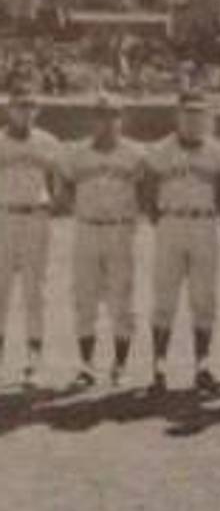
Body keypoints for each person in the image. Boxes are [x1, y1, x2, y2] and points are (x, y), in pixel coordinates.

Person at [144, 91, 220, 394]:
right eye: (187, 113)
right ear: (177, 116)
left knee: (204, 299)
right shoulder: (160, 149)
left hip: (204, 224)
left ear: (206, 117)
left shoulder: (217, 151)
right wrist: (161, 218)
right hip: (171, 223)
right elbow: (148, 190)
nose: (193, 120)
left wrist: (214, 217)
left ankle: (202, 366)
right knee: (164, 298)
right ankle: (159, 367)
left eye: (198, 114)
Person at [59, 94, 145, 387]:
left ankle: (120, 365)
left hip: (120, 230)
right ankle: (86, 366)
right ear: (92, 119)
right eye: (101, 115)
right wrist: (74, 206)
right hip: (87, 229)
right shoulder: (76, 153)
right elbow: (64, 184)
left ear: (121, 119)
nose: (107, 121)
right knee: (84, 298)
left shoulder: (136, 154)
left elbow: (146, 190)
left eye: (113, 115)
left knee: (122, 299)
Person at [0, 84, 61, 387]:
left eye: (30, 106)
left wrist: (53, 204)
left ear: (37, 111)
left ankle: (33, 362)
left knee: (34, 291)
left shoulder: (48, 142)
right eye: (19, 105)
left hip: (36, 218)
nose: (25, 112)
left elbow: (59, 179)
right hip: (3, 217)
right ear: (8, 109)